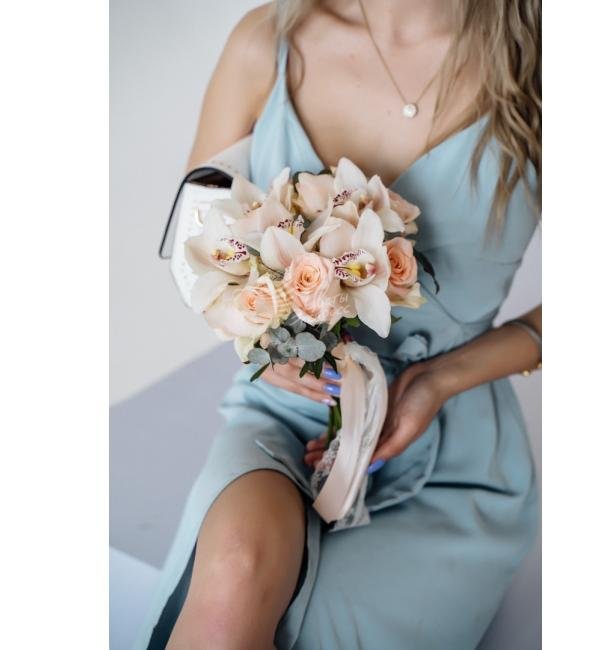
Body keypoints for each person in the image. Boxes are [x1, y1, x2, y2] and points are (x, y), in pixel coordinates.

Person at [136, 0, 541, 648]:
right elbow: (195, 245)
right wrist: (263, 335)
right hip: (287, 412)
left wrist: (441, 380)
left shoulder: (541, 68)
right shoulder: (268, 42)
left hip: (453, 449)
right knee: (235, 564)